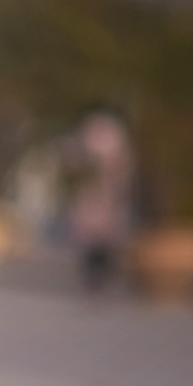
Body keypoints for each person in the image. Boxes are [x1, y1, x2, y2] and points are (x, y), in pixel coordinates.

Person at [68, 110, 134, 293]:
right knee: (92, 241)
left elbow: (121, 170)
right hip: (93, 199)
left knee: (104, 242)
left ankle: (102, 277)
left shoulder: (113, 144)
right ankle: (94, 278)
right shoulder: (89, 142)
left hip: (107, 200)